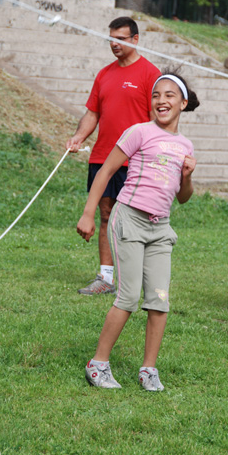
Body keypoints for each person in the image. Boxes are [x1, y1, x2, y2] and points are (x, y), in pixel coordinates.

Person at [76, 73, 200, 390]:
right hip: (129, 218)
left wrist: (187, 176)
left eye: (170, 95)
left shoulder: (185, 145)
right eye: (156, 95)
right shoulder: (139, 132)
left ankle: (148, 370)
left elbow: (182, 198)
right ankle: (98, 364)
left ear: (183, 103)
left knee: (159, 300)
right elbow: (105, 171)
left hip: (160, 228)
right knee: (129, 297)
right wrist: (89, 214)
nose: (161, 100)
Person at [66, 16, 161, 295]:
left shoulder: (150, 74)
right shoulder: (104, 74)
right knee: (106, 215)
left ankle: (142, 276)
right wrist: (79, 137)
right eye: (111, 38)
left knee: (137, 218)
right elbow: (93, 112)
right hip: (102, 157)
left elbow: (156, 118)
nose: (114, 44)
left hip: (136, 160)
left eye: (120, 38)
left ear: (135, 39)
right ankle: (106, 278)